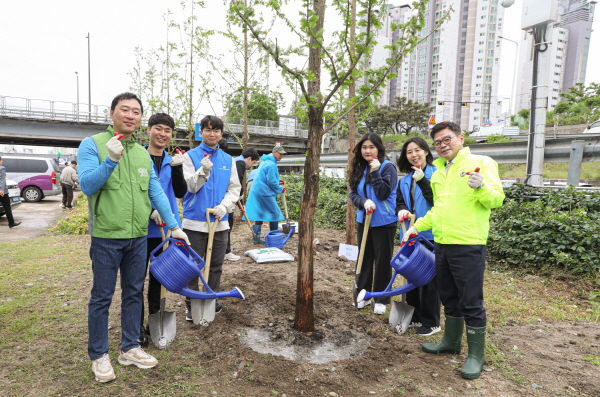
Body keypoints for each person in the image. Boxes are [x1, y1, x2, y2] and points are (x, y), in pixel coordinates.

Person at [78, 92, 190, 383]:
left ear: (140, 118)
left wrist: (174, 225)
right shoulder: (92, 145)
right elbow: (88, 185)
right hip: (106, 236)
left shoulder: (141, 154)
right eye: (124, 110)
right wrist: (111, 160)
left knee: (133, 293)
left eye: (136, 111)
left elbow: (156, 192)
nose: (130, 115)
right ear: (111, 112)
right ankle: (99, 354)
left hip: (138, 237)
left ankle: (130, 347)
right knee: (101, 297)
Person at [402, 121, 504, 379]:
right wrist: (417, 227)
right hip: (443, 242)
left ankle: (475, 356)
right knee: (448, 295)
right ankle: (450, 342)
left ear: (460, 138)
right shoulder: (438, 172)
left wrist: (481, 187)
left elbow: (496, 199)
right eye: (437, 142)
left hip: (469, 243)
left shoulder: (481, 162)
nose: (442, 145)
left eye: (447, 139)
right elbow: (439, 209)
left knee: (470, 300)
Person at [181, 115, 241, 318]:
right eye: (207, 130)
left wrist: (225, 206)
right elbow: (190, 187)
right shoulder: (190, 156)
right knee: (192, 266)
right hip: (195, 222)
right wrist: (202, 171)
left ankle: (211, 300)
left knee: (216, 265)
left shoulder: (228, 160)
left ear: (221, 134)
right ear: (201, 133)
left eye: (215, 130)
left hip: (219, 222)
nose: (212, 133)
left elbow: (234, 188)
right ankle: (191, 304)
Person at [138, 112, 187, 347]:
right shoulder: (137, 158)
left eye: (168, 130)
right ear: (148, 130)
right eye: (158, 128)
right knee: (136, 279)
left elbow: (179, 193)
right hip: (140, 229)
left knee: (158, 278)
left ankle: (154, 320)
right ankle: (136, 326)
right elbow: (133, 190)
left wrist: (178, 168)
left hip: (166, 230)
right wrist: (149, 210)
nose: (163, 134)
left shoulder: (172, 160)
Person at [395, 137, 441, 336]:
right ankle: (414, 315)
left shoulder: (437, 175)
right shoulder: (404, 180)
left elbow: (435, 199)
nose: (414, 155)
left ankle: (431, 321)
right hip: (409, 233)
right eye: (409, 152)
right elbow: (400, 202)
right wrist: (401, 211)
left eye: (417, 150)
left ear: (426, 152)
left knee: (429, 278)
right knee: (411, 274)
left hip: (430, 233)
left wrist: (422, 180)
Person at [349, 132, 398, 315]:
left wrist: (376, 172)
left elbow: (384, 193)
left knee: (383, 260)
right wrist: (363, 202)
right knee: (364, 258)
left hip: (384, 221)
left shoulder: (387, 167)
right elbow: (353, 193)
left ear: (379, 148)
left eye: (371, 147)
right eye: (364, 147)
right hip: (365, 220)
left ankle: (382, 297)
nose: (367, 151)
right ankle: (363, 294)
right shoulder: (359, 168)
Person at [244, 143, 286, 243]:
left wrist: (278, 180)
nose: (282, 156)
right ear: (275, 153)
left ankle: (256, 239)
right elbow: (271, 182)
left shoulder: (265, 162)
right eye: (280, 154)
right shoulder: (271, 164)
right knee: (274, 214)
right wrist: (280, 189)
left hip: (258, 190)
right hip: (264, 192)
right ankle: (274, 237)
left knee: (259, 214)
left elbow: (266, 177)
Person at [224, 148, 260, 261]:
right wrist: (239, 195)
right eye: (253, 162)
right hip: (227, 198)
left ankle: (224, 251)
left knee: (226, 224)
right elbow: (237, 182)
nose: (251, 165)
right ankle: (226, 252)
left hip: (226, 196)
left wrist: (241, 201)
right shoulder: (239, 163)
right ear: (249, 158)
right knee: (227, 224)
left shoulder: (236, 161)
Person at [0, 156, 20, 228]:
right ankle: (11, 223)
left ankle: (11, 223)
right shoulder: (2, 168)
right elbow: (2, 179)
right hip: (2, 192)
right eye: (1, 160)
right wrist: (1, 189)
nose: (2, 161)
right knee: (7, 208)